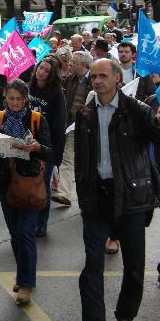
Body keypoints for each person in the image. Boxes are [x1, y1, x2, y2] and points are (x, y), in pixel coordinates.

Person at [75, 58, 160, 321]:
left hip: (132, 197)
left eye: (102, 76)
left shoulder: (137, 111)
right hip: (96, 200)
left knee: (134, 265)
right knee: (92, 265)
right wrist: (83, 195)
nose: (97, 81)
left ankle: (125, 318)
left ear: (117, 79)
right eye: (93, 77)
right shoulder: (85, 113)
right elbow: (81, 160)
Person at [0, 79, 53, 305]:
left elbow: (49, 152)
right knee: (15, 232)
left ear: (25, 99)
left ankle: (25, 283)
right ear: (5, 98)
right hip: (5, 183)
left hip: (29, 182)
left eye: (18, 99)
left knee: (25, 232)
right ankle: (23, 273)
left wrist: (37, 148)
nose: (14, 103)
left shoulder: (36, 119)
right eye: (10, 98)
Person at [27, 56, 66, 237]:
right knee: (28, 183)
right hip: (27, 142)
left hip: (46, 145)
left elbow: (59, 126)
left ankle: (42, 222)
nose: (41, 72)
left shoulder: (57, 94)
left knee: (42, 185)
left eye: (46, 70)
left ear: (52, 75)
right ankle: (30, 219)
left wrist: (55, 155)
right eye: (40, 68)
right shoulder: (30, 87)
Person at [54, 51, 93, 208]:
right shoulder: (70, 79)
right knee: (67, 158)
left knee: (88, 161)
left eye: (74, 62)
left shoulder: (95, 78)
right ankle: (63, 193)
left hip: (90, 128)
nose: (70, 64)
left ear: (83, 65)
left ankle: (88, 197)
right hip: (71, 126)